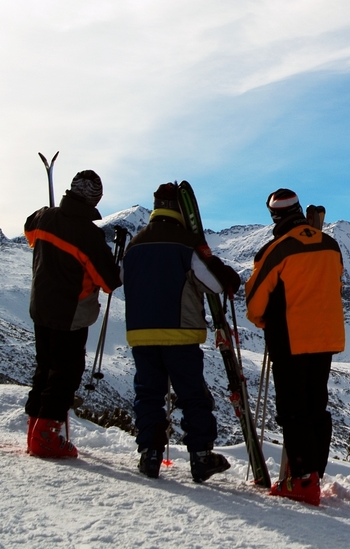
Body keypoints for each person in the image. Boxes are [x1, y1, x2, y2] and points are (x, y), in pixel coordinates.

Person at [122, 182, 242, 483]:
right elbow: (214, 284)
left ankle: (149, 455)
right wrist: (220, 269)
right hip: (180, 334)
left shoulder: (134, 245)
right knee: (192, 395)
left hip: (141, 334)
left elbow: (120, 280)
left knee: (148, 394)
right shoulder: (185, 244)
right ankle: (201, 457)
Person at [244, 188, 345, 506]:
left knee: (293, 410)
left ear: (274, 216)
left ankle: (301, 480)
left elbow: (255, 302)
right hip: (326, 338)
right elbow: (336, 282)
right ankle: (314, 474)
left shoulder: (277, 250)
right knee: (316, 406)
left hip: (290, 338)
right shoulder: (331, 245)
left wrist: (265, 323)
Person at [24, 170, 122, 458]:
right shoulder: (88, 235)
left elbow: (29, 232)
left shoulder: (43, 216)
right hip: (70, 313)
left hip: (40, 307)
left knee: (44, 369)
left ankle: (35, 430)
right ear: (95, 198)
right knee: (65, 374)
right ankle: (45, 437)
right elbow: (109, 282)